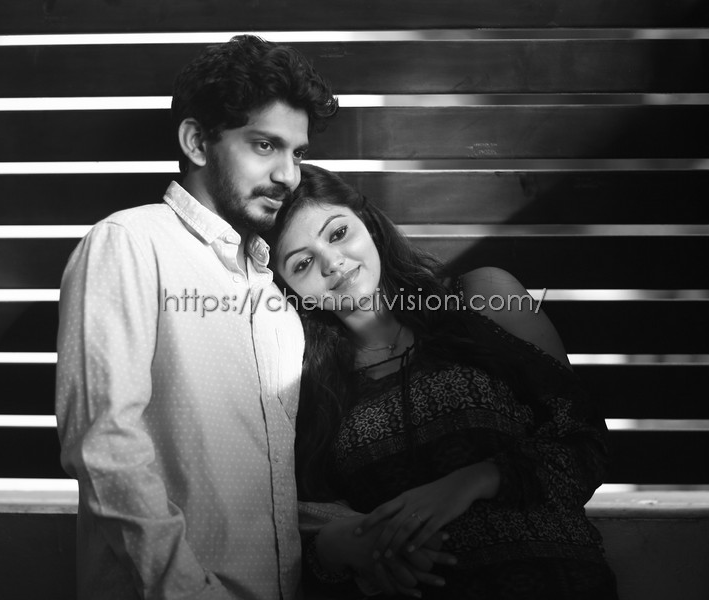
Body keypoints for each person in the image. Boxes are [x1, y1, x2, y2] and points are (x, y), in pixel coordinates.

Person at [55, 36, 338, 599]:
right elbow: (104, 448)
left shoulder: (274, 288)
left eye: (298, 153)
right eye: (265, 145)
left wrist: (351, 526)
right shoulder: (129, 243)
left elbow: (263, 490)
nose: (288, 175)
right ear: (196, 142)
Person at [264, 164, 619, 599]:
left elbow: (587, 443)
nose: (332, 263)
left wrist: (475, 480)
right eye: (302, 263)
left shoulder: (483, 298)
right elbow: (300, 542)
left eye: (338, 234)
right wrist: (347, 545)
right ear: (288, 287)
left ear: (368, 224)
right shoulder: (306, 386)